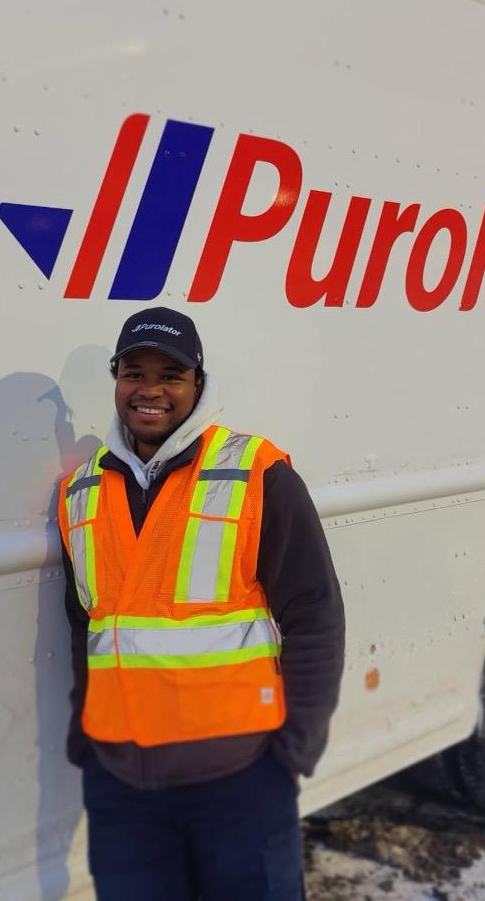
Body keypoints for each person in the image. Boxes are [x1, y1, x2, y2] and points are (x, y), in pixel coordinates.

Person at [58, 307, 345, 900]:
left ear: (197, 384)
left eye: (171, 375)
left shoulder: (255, 472)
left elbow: (315, 615)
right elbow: (84, 625)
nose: (150, 390)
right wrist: (85, 738)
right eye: (134, 372)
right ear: (116, 380)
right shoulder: (79, 490)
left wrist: (291, 751)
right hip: (122, 788)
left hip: (239, 780)